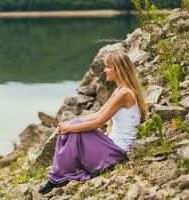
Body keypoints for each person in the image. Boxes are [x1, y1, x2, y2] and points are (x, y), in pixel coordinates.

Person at [38, 51, 147, 194]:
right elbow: (98, 113)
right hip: (112, 143)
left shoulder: (125, 93)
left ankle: (57, 177)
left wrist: (69, 129)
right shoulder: (119, 90)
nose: (105, 70)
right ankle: (60, 175)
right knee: (74, 126)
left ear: (118, 69)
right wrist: (69, 124)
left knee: (73, 132)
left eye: (108, 67)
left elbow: (99, 122)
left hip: (118, 151)